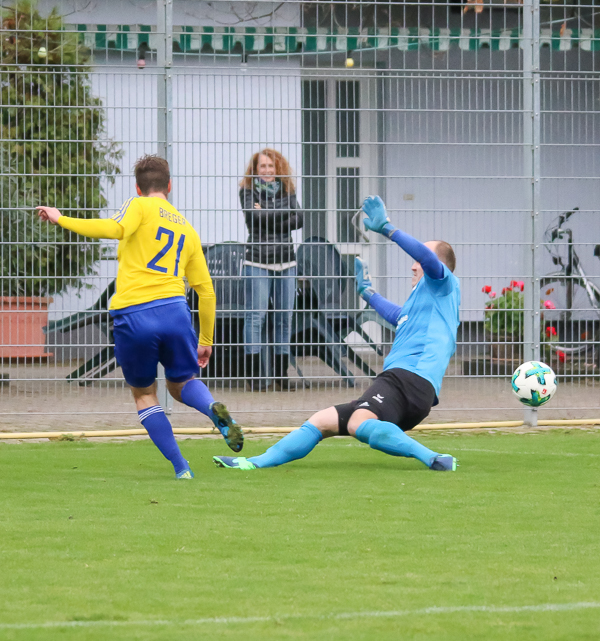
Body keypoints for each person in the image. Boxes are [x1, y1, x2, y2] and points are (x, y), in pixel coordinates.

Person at [214, 195, 458, 472]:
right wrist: (368, 293)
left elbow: (426, 259)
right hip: (412, 388)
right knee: (321, 421)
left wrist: (387, 229)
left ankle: (435, 458)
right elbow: (399, 316)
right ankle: (252, 463)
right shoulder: (428, 301)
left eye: (419, 261)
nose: (414, 265)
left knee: (357, 423)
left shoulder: (444, 284)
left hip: (407, 379)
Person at [36, 155, 244, 479]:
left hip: (135, 315)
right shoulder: (186, 227)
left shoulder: (138, 206)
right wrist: (205, 340)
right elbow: (206, 291)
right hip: (175, 313)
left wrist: (62, 218)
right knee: (182, 384)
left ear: (138, 187)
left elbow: (114, 228)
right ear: (169, 185)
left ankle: (181, 468)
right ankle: (211, 408)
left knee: (144, 394)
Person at [239, 148, 303, 391]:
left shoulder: (287, 189)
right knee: (256, 317)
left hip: (286, 261)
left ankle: (281, 376)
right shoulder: (248, 191)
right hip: (257, 260)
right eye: (263, 166)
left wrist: (265, 214)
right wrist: (284, 214)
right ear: (255, 170)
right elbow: (253, 217)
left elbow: (300, 219)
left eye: (271, 166)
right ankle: (254, 377)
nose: (267, 170)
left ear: (278, 168)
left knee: (284, 318)